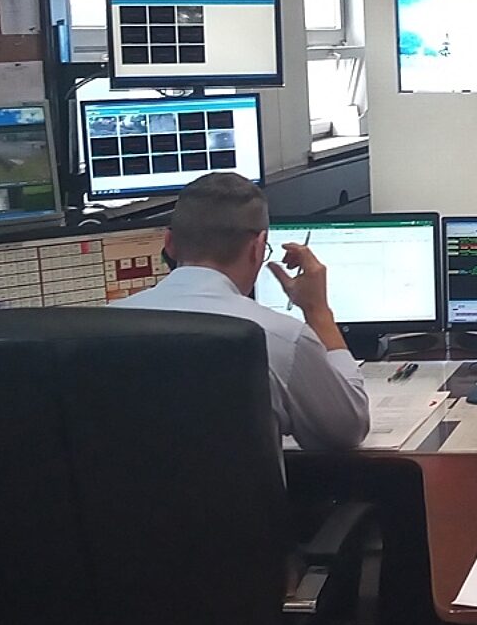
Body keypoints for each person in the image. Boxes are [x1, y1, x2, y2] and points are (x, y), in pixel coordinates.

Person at [114, 172, 369, 451]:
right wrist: (318, 311)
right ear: (257, 248)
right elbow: (346, 430)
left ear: (169, 243)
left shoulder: (100, 327)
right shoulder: (281, 338)